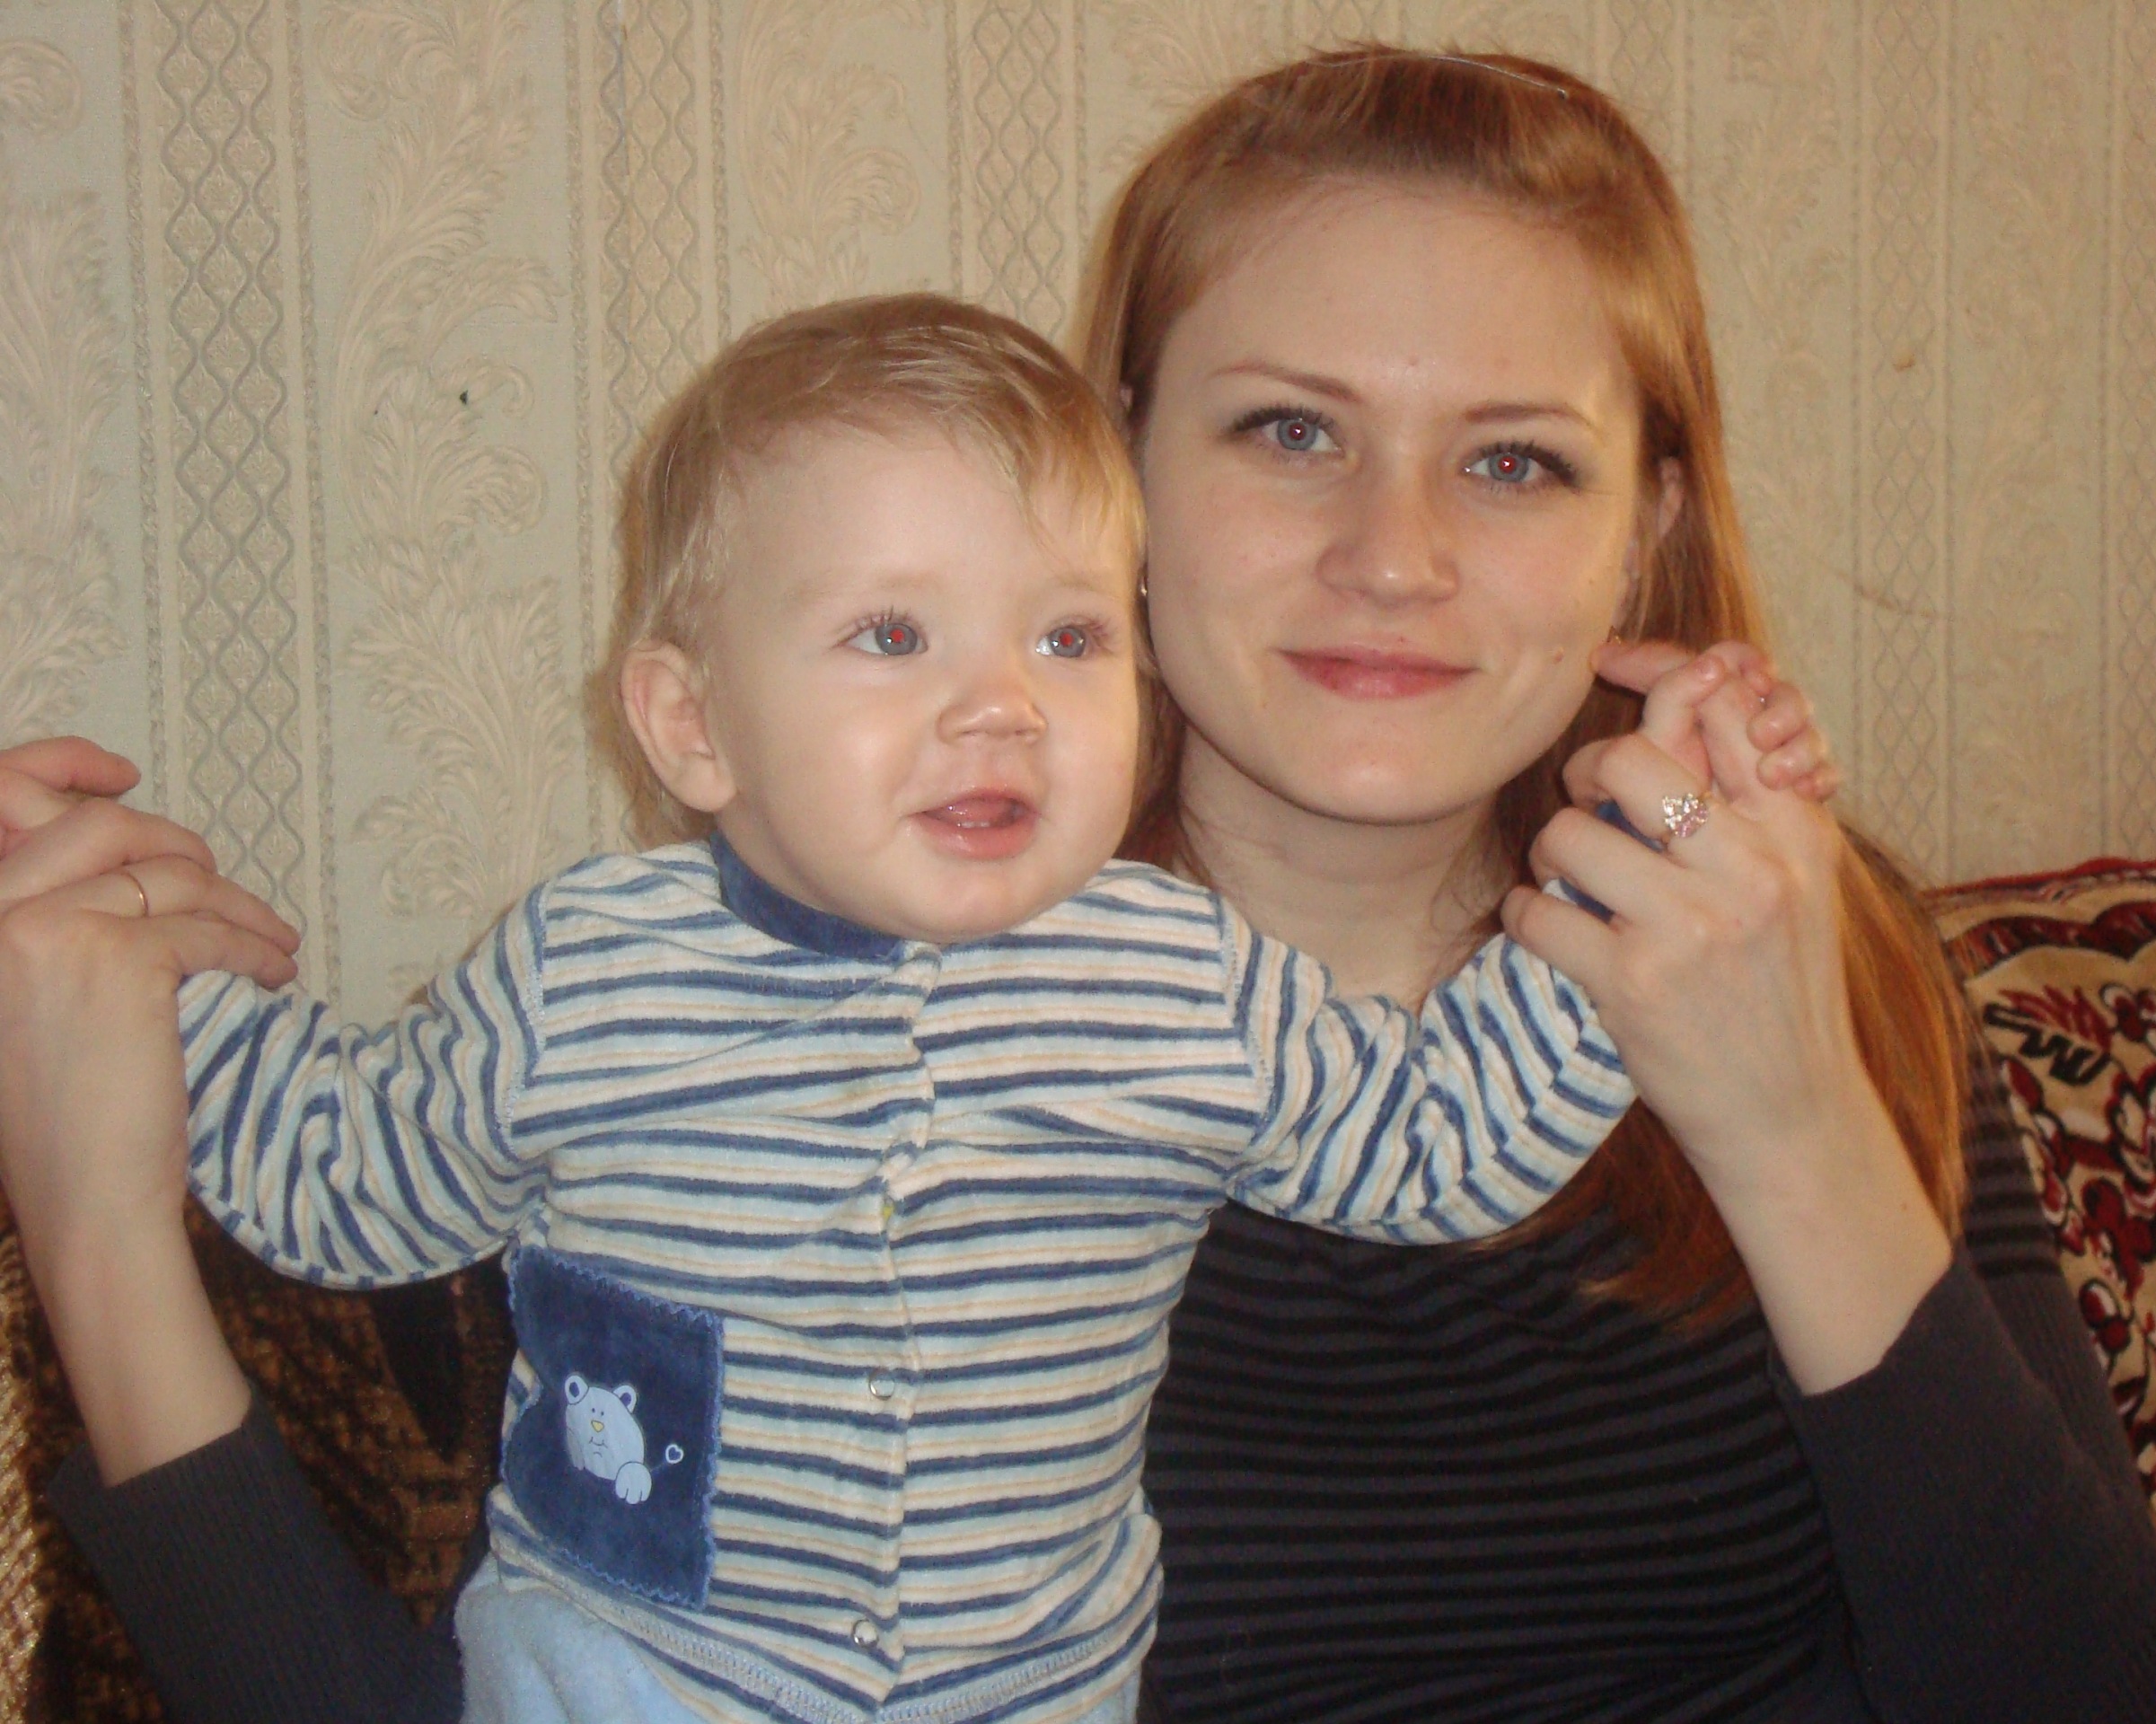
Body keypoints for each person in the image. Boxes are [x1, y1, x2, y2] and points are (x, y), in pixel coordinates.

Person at [0, 44, 2156, 1724]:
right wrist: (103, 1190)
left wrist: (1785, 1112)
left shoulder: (1805, 943)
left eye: (1514, 460)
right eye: (1287, 429)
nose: (1392, 551)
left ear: (1642, 525)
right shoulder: (774, 1044)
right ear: (1116, 467)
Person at [13, 288, 1789, 1724]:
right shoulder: (582, 972)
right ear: (691, 724)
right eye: (890, 636)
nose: (1001, 706)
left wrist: (1656, 827)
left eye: (1068, 638)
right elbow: (345, 1182)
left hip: (1029, 1686)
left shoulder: (1185, 981)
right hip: (625, 1672)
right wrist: (128, 954)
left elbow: (1436, 1144)